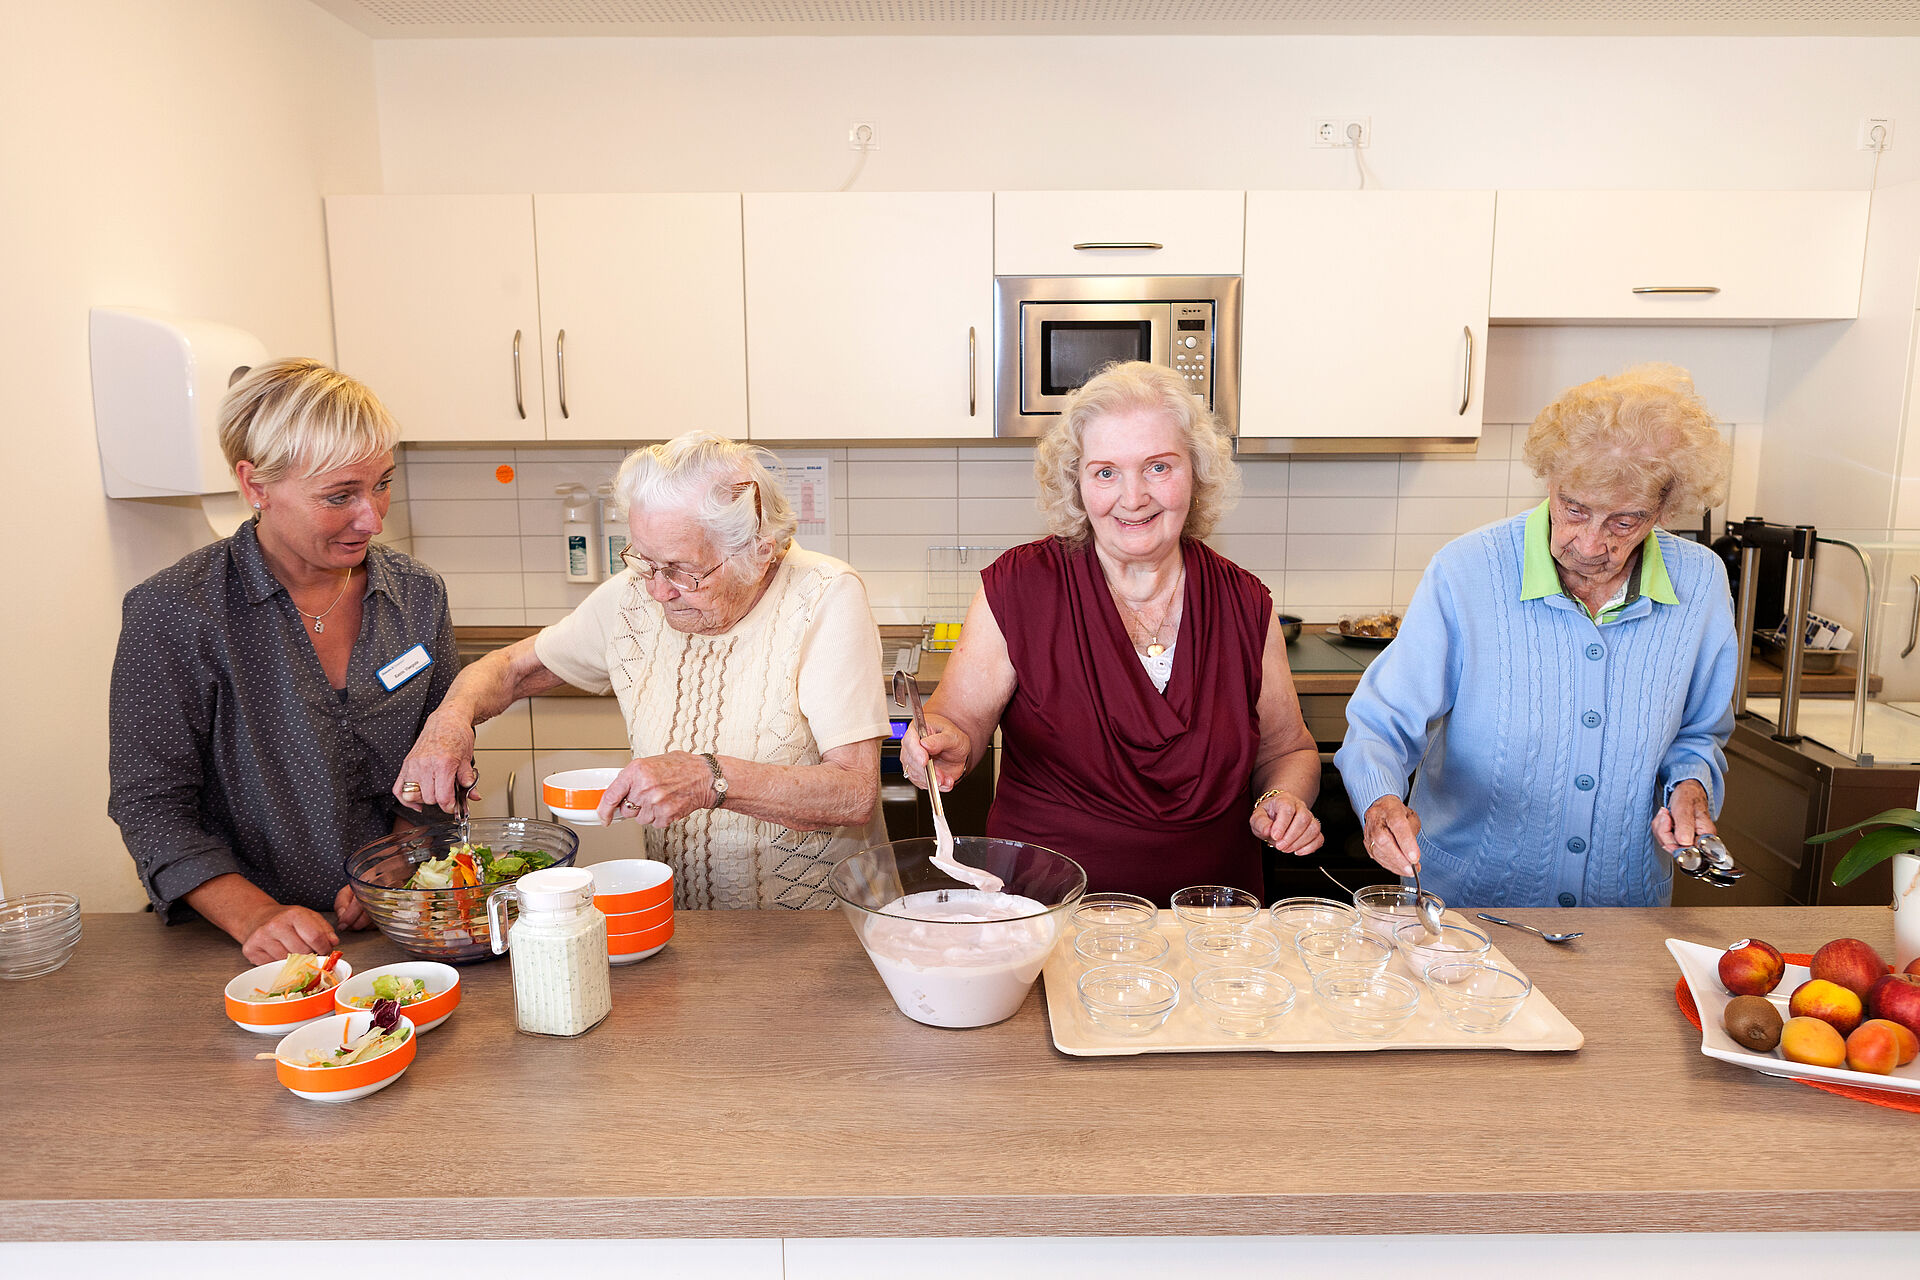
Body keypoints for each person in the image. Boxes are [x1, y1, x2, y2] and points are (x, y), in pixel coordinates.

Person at [396, 432, 888, 910]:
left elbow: (853, 793)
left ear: (760, 550)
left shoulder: (824, 596)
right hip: (687, 925)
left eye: (681, 570)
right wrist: (450, 720)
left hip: (823, 925)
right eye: (644, 562)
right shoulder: (635, 595)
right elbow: (512, 669)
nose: (657, 590)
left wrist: (709, 778)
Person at [902, 362, 1323, 905]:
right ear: (1077, 483)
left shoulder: (1244, 602)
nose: (1133, 497)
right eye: (1106, 472)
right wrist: (941, 740)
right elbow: (956, 720)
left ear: (1195, 472)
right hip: (1050, 913)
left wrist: (1282, 797)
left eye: (1158, 467)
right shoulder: (1021, 587)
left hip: (1212, 924)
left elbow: (1289, 749)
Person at [1336, 363, 1738, 908]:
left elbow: (1698, 734)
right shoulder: (1467, 570)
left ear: (1666, 508)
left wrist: (1690, 786)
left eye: (1624, 522)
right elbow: (1381, 724)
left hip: (1623, 906)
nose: (1590, 544)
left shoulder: (1701, 581)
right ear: (1550, 480)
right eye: (1574, 510)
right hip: (1467, 904)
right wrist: (1379, 800)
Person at [109, 359, 457, 962]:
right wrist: (259, 917)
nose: (373, 518)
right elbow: (151, 805)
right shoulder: (174, 612)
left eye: (381, 483)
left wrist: (398, 858)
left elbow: (440, 762)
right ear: (254, 486)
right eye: (338, 496)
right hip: (241, 943)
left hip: (400, 924)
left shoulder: (418, 595)